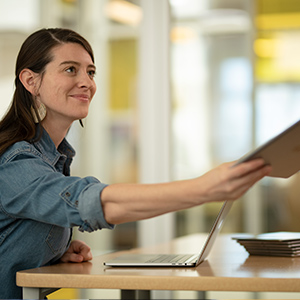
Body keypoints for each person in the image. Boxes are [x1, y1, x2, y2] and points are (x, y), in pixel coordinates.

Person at [0, 28, 271, 299]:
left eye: (91, 72)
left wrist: (55, 251)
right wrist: (203, 189)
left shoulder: (53, 157)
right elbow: (96, 203)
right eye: (70, 69)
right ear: (30, 81)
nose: (87, 82)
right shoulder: (15, 162)